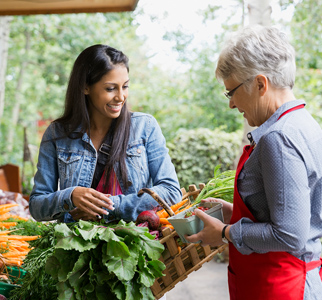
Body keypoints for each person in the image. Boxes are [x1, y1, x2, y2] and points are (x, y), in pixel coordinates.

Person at [185, 25, 322, 300]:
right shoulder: (304, 123)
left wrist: (225, 233)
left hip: (280, 287)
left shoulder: (279, 138)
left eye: (231, 92)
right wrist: (234, 212)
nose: (232, 105)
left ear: (260, 84)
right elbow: (291, 213)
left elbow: (289, 236)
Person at [29, 44, 182, 226]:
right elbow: (37, 206)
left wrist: (110, 207)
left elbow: (171, 192)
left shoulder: (145, 127)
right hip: (75, 247)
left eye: (125, 86)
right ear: (86, 87)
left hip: (135, 246)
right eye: (110, 89)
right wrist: (70, 196)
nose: (121, 97)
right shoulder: (57, 134)